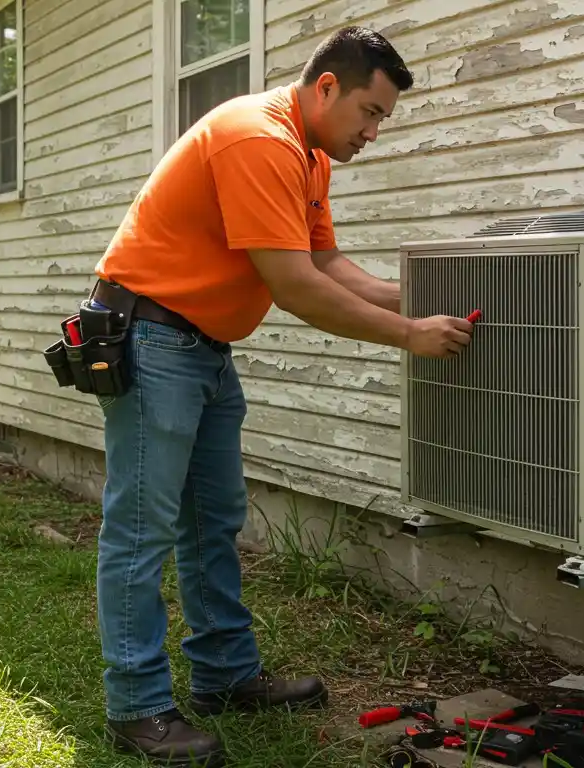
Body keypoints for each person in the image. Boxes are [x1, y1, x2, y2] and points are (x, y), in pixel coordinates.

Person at [87, 25, 475, 765]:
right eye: (369, 112)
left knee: (213, 519)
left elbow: (326, 262)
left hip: (202, 347)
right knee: (142, 529)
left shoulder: (308, 154)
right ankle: (136, 706)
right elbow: (296, 288)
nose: (373, 132)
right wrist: (409, 336)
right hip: (153, 339)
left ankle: (224, 677)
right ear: (326, 86)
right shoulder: (256, 139)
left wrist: (423, 301)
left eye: (382, 119)